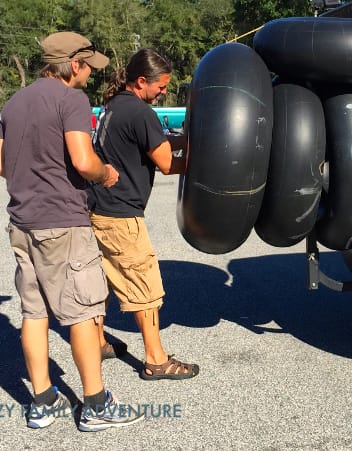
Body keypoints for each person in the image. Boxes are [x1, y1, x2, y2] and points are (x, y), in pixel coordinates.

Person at [0, 31, 144, 432]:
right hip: (63, 223)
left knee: (34, 312)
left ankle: (42, 402)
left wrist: (34, 175)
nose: (91, 75)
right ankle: (95, 404)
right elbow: (82, 159)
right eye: (88, 67)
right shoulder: (71, 100)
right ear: (73, 64)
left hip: (22, 223)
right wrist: (106, 173)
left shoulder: (14, 102)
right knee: (82, 311)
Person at [88, 48, 198, 380]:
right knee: (144, 284)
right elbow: (167, 163)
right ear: (141, 81)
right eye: (161, 86)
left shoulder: (116, 106)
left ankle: (96, 343)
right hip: (120, 215)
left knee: (101, 282)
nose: (164, 91)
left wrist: (186, 140)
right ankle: (155, 360)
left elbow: (156, 142)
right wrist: (207, 161)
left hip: (97, 208)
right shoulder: (140, 113)